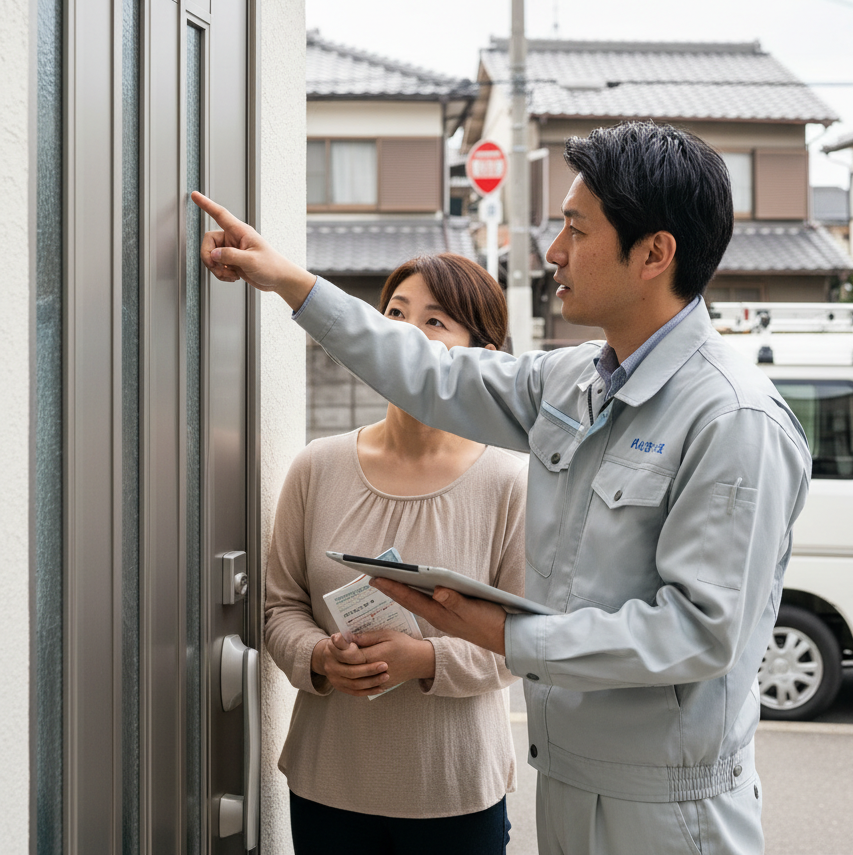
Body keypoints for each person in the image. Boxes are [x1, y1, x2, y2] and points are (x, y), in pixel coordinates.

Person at [193, 120, 810, 855]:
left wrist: (500, 634)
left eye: (577, 229)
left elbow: (700, 633)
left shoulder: (733, 419)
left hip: (670, 807)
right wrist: (288, 281)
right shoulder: (576, 380)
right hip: (568, 779)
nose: (555, 251)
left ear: (654, 253)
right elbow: (432, 373)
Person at [262, 253, 527, 855]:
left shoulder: (511, 483)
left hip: (454, 788)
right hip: (328, 783)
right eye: (395, 315)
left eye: (434, 322)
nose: (404, 334)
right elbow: (280, 608)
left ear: (481, 355)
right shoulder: (316, 466)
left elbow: (525, 641)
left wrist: (424, 660)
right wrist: (320, 656)